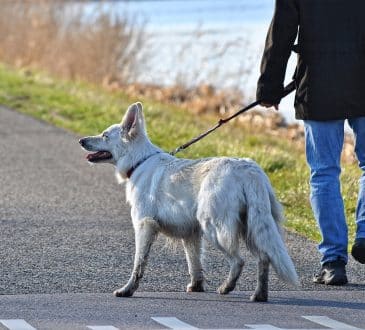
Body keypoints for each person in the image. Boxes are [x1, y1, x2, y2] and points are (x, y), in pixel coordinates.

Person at [256, 0, 365, 285]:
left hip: (319, 84)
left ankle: (333, 262)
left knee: (324, 172)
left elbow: (281, 31)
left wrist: (269, 86)